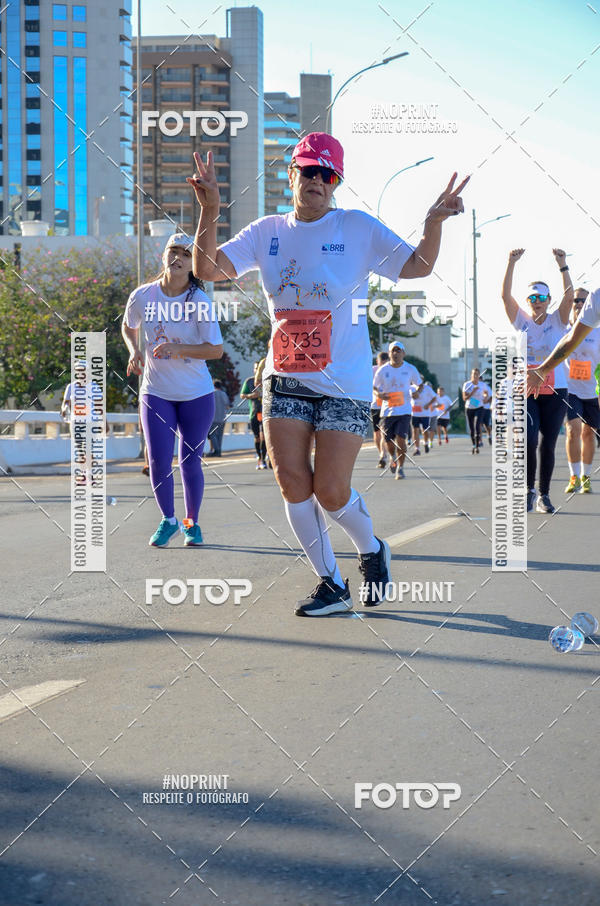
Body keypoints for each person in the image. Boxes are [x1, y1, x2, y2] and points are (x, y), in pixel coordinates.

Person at [189, 133, 468, 615]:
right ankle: (330, 583)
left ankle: (371, 549)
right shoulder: (266, 230)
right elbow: (208, 270)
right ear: (291, 174)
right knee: (293, 483)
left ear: (336, 182)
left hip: (346, 379)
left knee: (331, 490)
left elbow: (418, 265)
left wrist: (433, 222)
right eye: (308, 171)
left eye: (327, 174)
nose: (317, 180)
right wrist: (210, 208)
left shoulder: (356, 228)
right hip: (286, 373)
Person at [122, 233, 223, 547]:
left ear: (193, 265)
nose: (178, 257)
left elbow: (216, 350)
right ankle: (168, 520)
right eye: (173, 251)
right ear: (163, 256)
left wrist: (178, 350)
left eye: (186, 254)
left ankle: (192, 523)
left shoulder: (199, 302)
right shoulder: (143, 296)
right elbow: (128, 325)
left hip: (196, 394)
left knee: (190, 460)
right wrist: (133, 350)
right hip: (156, 392)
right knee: (158, 460)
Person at [502, 247, 572, 513]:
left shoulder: (558, 320)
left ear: (548, 299)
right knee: (529, 440)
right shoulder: (521, 320)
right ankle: (528, 491)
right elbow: (504, 296)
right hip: (526, 390)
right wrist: (511, 264)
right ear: (528, 300)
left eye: (541, 296)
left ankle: (544, 495)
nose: (536, 300)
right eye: (532, 297)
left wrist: (562, 265)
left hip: (556, 390)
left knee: (548, 443)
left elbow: (569, 296)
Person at [530, 288, 600, 494]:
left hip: (592, 390)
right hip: (570, 390)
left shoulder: (597, 332)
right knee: (573, 430)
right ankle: (574, 476)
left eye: (582, 300)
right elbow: (565, 344)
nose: (578, 303)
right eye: (575, 300)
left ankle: (586, 476)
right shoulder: (563, 329)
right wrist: (542, 370)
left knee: (589, 434)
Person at [374, 341, 423, 480]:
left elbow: (419, 384)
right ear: (389, 353)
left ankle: (400, 468)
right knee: (388, 440)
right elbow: (374, 387)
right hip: (387, 411)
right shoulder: (383, 370)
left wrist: (417, 392)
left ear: (403, 353)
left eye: (398, 350)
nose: (395, 353)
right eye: (393, 351)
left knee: (401, 439)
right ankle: (392, 456)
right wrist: (379, 395)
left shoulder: (410, 368)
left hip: (405, 410)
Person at [241, 362, 268, 469]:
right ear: (254, 369)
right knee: (257, 437)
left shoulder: (268, 380)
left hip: (265, 412)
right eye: (256, 368)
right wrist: (252, 395)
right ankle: (259, 457)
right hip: (254, 412)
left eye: (259, 368)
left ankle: (263, 459)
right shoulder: (249, 381)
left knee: (264, 437)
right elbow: (242, 395)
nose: (257, 370)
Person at [462, 368, 488, 453]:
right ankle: (473, 444)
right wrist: (473, 392)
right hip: (469, 408)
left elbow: (486, 393)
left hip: (480, 407)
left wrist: (485, 397)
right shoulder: (467, 384)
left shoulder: (482, 384)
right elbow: (464, 398)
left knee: (477, 426)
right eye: (474, 374)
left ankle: (477, 446)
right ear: (471, 375)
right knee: (471, 428)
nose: (475, 376)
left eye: (477, 374)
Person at [371, 350, 390, 468]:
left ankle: (383, 454)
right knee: (377, 433)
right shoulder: (372, 370)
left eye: (384, 362)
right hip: (374, 405)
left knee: (383, 431)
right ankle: (381, 453)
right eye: (380, 362)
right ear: (377, 361)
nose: (382, 364)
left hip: (387, 406)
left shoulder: (390, 370)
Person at [207, 379, 230, 457]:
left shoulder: (211, 394)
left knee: (212, 434)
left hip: (213, 418)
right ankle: (219, 451)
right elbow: (227, 406)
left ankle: (216, 450)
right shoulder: (224, 394)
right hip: (222, 418)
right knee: (220, 435)